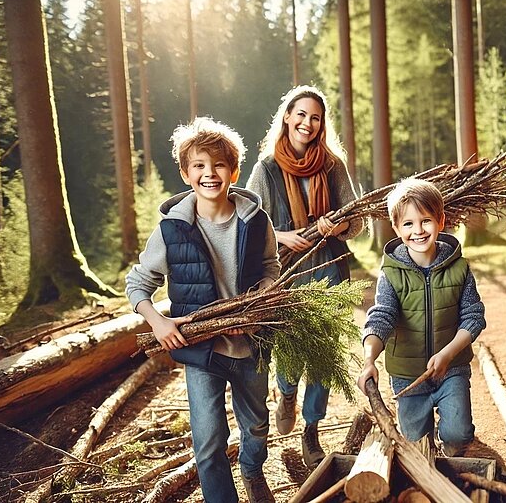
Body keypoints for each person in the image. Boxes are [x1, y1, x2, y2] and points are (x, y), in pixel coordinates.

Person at [126, 117, 279, 503]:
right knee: (209, 441)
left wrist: (259, 303)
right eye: (198, 166)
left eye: (218, 165)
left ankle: (252, 468)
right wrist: (158, 322)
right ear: (185, 172)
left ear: (233, 170)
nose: (209, 174)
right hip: (201, 351)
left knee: (257, 428)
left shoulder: (256, 220)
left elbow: (269, 267)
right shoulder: (171, 230)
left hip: (251, 346)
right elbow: (138, 283)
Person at [245, 85, 363, 468]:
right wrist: (280, 235)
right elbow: (246, 220)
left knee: (324, 352)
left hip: (328, 264)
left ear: (321, 124)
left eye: (315, 117)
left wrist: (337, 225)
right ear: (287, 116)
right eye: (301, 114)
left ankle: (311, 429)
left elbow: (357, 220)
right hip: (284, 269)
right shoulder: (266, 168)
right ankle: (286, 393)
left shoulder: (333, 166)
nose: (307, 123)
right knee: (293, 347)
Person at [356, 179, 486, 457]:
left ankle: (451, 453)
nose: (418, 231)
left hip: (452, 369)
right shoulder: (391, 274)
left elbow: (473, 317)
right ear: (395, 228)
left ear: (441, 220)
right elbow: (381, 317)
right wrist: (369, 360)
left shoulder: (460, 268)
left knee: (459, 433)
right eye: (408, 224)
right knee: (417, 443)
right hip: (407, 376)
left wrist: (448, 354)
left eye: (425, 221)